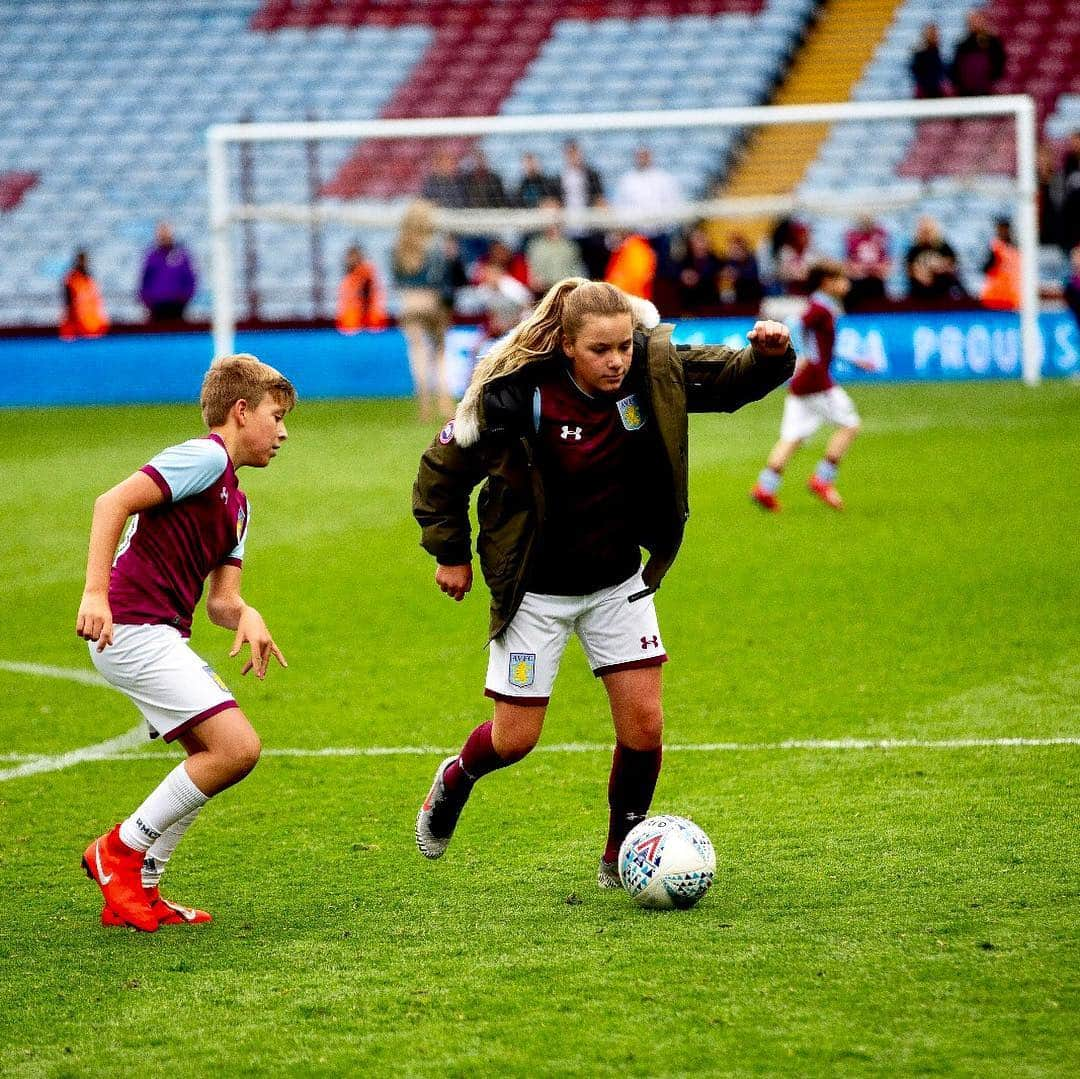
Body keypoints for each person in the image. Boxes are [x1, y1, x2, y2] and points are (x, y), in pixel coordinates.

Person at [411, 278, 794, 885]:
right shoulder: (516, 395)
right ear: (566, 345)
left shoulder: (650, 367)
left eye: (623, 347)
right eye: (600, 350)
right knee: (514, 741)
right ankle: (454, 779)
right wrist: (450, 553)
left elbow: (726, 380)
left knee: (644, 727)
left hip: (617, 581)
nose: (617, 360)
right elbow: (442, 471)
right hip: (534, 592)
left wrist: (769, 356)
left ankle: (621, 856)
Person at [76, 354, 295, 932]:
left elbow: (222, 600)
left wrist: (247, 616)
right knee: (237, 748)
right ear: (241, 412)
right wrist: (95, 593)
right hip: (130, 626)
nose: (283, 431)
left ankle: (143, 890)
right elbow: (110, 503)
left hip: (156, 632)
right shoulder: (205, 456)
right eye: (276, 415)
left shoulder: (240, 504)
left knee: (211, 755)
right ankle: (119, 852)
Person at [751, 260, 876, 513]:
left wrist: (854, 360)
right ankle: (823, 479)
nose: (846, 284)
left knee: (792, 437)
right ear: (827, 282)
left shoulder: (824, 306)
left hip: (802, 384)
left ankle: (765, 487)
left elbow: (823, 343)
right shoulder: (821, 307)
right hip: (816, 382)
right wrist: (805, 356)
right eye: (842, 279)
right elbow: (796, 325)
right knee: (850, 425)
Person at [392, 199, 454, 422]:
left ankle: (424, 405)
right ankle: (445, 402)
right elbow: (441, 279)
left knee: (417, 354)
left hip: (408, 302)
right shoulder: (435, 246)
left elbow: (397, 279)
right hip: (431, 300)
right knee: (439, 354)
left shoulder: (399, 247)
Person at [525, 196, 586, 295]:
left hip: (568, 295)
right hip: (543, 297)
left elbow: (579, 277)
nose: (550, 218)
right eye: (546, 214)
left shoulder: (570, 246)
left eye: (553, 213)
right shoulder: (535, 246)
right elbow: (533, 281)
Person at [612, 147, 683, 230]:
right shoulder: (626, 180)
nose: (642, 159)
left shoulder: (664, 178)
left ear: (650, 156)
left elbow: (673, 204)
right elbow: (619, 206)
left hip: (661, 231)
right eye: (639, 156)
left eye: (645, 155)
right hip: (635, 232)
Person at [139, 222, 197, 322]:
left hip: (178, 306)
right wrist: (147, 301)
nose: (164, 235)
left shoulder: (181, 255)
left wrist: (184, 298)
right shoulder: (152, 256)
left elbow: (190, 279)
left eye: (166, 232)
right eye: (161, 233)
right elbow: (145, 281)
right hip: (156, 307)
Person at [905, 215, 967, 302]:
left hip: (943, 294)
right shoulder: (914, 249)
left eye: (928, 231)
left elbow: (953, 267)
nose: (925, 233)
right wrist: (922, 274)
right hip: (919, 295)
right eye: (923, 231)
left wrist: (938, 267)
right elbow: (908, 270)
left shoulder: (944, 247)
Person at [949, 10, 1005, 97]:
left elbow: (999, 62)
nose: (974, 23)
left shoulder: (993, 42)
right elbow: (957, 68)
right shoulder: (962, 44)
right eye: (971, 21)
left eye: (977, 19)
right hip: (966, 91)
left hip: (988, 88)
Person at [336, 243, 387, 333]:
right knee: (349, 325)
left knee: (373, 324)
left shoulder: (367, 271)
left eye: (353, 257)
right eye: (349, 257)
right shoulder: (348, 276)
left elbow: (370, 294)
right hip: (353, 314)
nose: (351, 260)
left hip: (369, 312)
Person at [844, 215, 892, 310]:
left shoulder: (880, 236)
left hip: (876, 280)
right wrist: (860, 269)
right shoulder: (852, 236)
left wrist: (876, 269)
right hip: (858, 281)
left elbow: (887, 263)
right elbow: (848, 263)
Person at [60, 249, 109, 341]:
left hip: (93, 328)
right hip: (77, 329)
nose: (83, 263)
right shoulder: (72, 280)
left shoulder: (89, 280)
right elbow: (68, 304)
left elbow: (95, 303)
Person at [980, 217, 1020, 311]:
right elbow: (986, 269)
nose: (1001, 232)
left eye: (1003, 229)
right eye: (999, 230)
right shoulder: (995, 248)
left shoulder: (1016, 249)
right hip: (995, 298)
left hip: (1012, 298)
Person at [910, 23, 947, 99]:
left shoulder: (939, 54)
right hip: (926, 94)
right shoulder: (920, 56)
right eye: (931, 33)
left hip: (938, 94)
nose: (934, 36)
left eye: (935, 33)